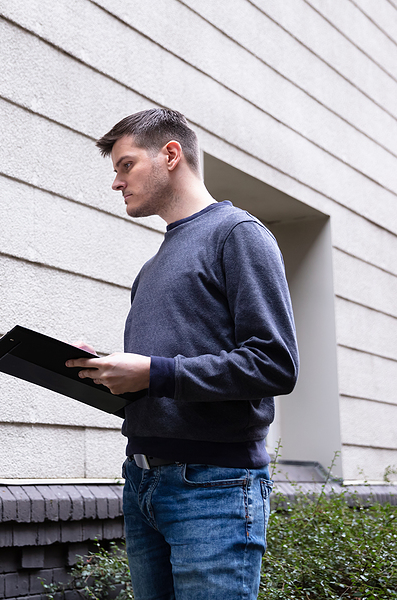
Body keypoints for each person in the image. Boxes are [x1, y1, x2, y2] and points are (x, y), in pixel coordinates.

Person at [66, 108, 299, 600]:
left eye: (125, 165)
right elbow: (164, 378)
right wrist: (107, 371)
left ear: (170, 155)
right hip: (143, 481)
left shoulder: (238, 234)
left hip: (213, 487)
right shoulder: (152, 268)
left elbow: (274, 363)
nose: (115, 182)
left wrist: (155, 373)